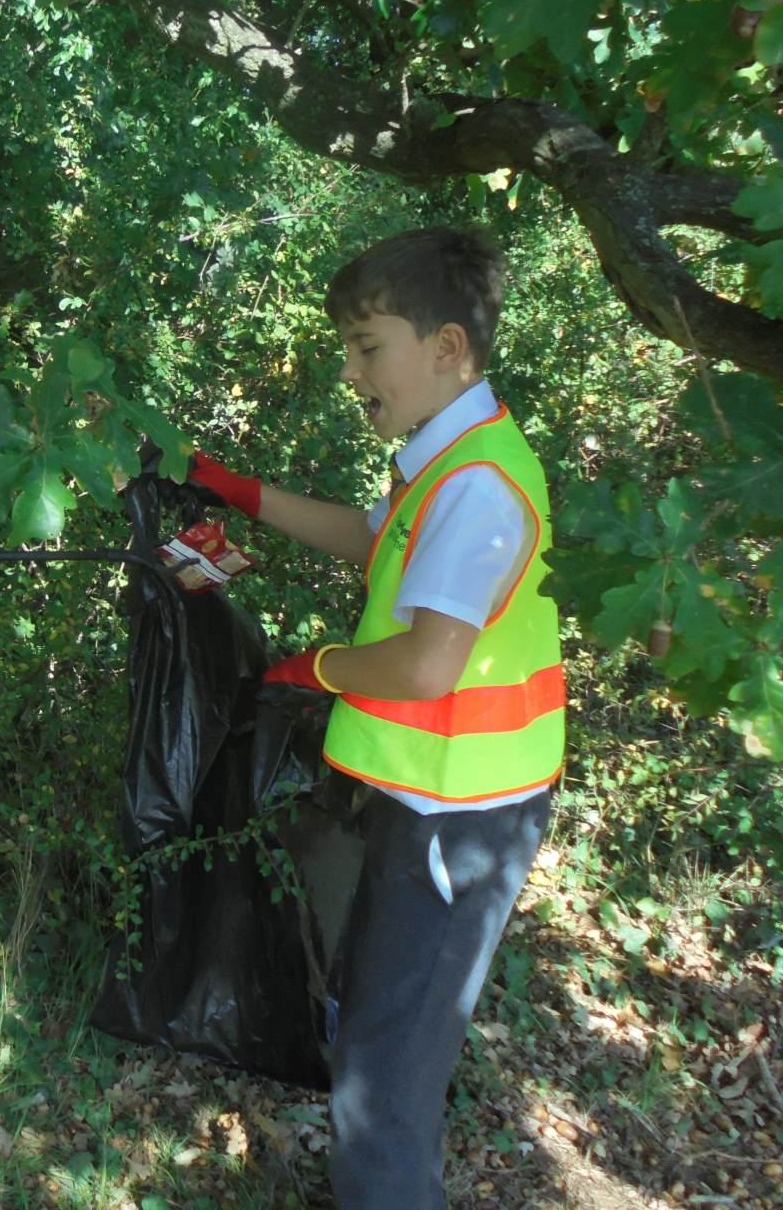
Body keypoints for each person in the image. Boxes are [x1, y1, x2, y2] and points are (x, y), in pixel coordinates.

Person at [185, 227, 563, 1210]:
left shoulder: (477, 487)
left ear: (447, 347)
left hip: (456, 826)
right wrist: (242, 493)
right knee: (368, 1033)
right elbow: (371, 539)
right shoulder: (445, 461)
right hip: (424, 805)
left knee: (383, 1091)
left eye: (366, 346)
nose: (350, 372)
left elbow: (428, 665)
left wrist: (321, 668)